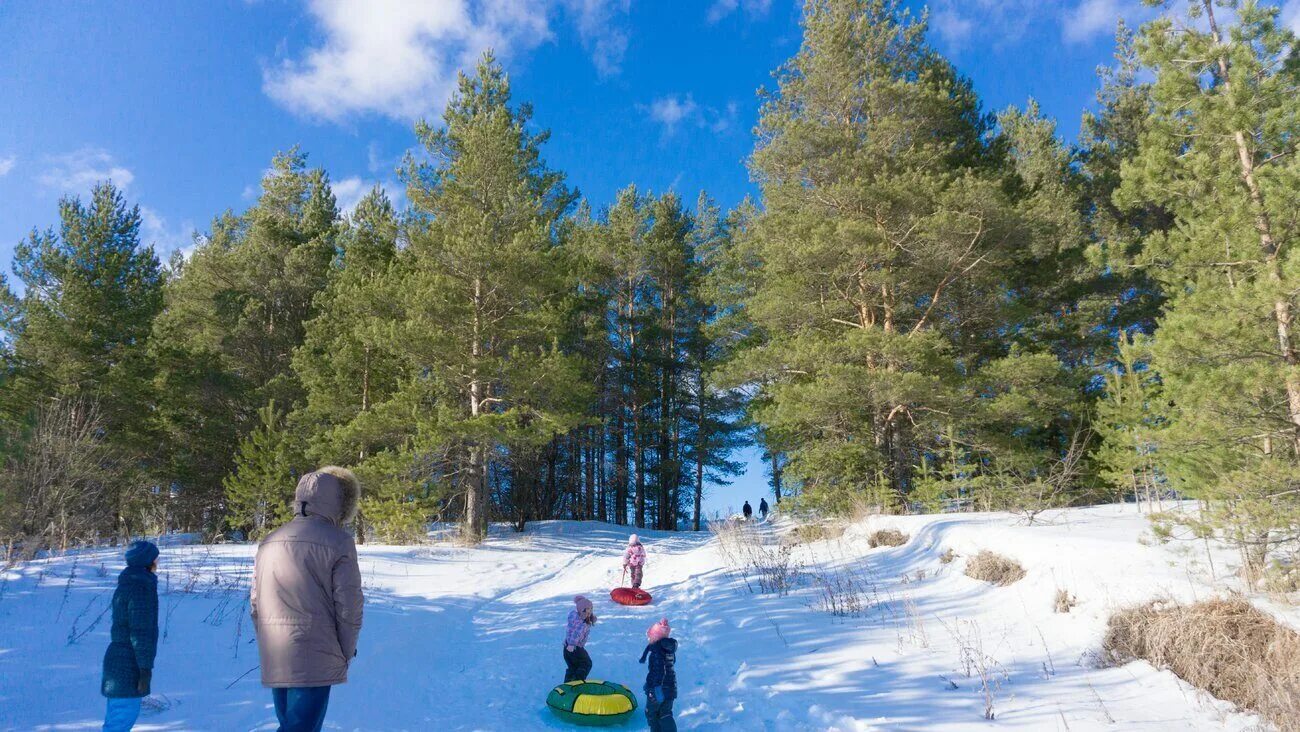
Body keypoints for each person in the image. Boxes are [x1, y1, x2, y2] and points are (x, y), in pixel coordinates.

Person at [251, 467, 363, 732]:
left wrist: (269, 641)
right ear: (341, 502)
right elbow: (349, 607)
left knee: (291, 724)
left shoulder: (270, 541)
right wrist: (345, 652)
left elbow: (256, 604)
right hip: (316, 651)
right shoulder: (338, 542)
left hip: (276, 651)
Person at [101, 540, 159, 732]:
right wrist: (145, 668)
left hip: (120, 660)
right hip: (127, 663)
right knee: (120, 721)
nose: (157, 563)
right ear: (147, 562)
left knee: (118, 720)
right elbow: (141, 632)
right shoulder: (140, 588)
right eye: (155, 559)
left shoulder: (130, 582)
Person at [639, 618, 678, 732]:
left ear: (655, 638)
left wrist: (655, 688)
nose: (649, 639)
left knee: (651, 713)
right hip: (670, 689)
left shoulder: (656, 652)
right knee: (665, 713)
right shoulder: (668, 650)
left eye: (650, 637)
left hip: (658, 690)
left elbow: (659, 671)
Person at [563, 595, 597, 682]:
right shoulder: (581, 622)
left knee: (573, 666)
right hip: (574, 647)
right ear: (581, 610)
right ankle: (577, 682)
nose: (589, 612)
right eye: (587, 610)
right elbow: (576, 633)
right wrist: (572, 644)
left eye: (591, 609)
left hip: (567, 647)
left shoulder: (579, 617)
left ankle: (568, 684)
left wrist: (591, 618)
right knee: (586, 663)